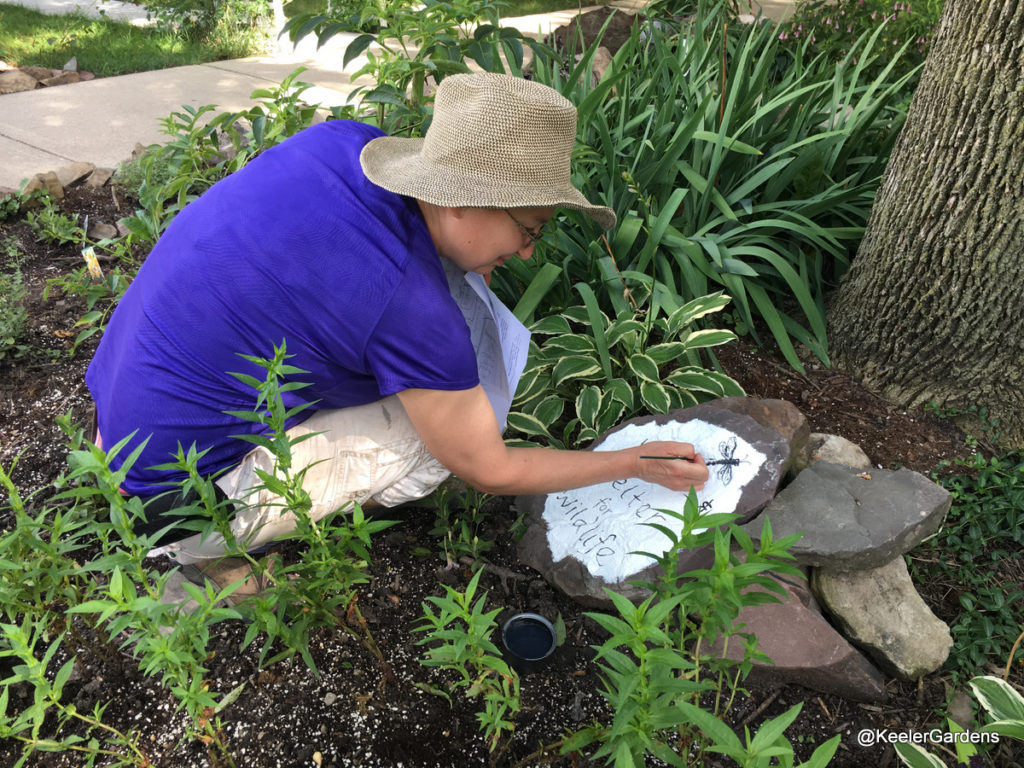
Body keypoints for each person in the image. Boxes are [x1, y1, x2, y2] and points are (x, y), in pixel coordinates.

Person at [86, 72, 708, 594]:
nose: (525, 253)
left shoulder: (343, 147)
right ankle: (208, 562)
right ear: (465, 199)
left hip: (121, 415)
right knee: (436, 442)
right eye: (531, 228)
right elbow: (488, 467)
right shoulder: (408, 307)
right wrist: (633, 463)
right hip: (173, 499)